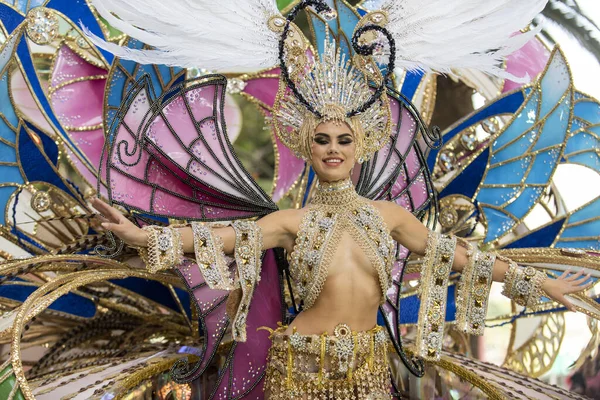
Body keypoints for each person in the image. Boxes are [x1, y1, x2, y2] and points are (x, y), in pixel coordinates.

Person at [85, 0, 593, 398]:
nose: (333, 149)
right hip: (299, 367)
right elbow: (216, 239)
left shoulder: (391, 216)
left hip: (368, 369)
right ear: (307, 145)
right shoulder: (291, 221)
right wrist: (141, 235)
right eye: (323, 140)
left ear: (362, 145)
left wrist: (541, 282)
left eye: (343, 140)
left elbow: (459, 256)